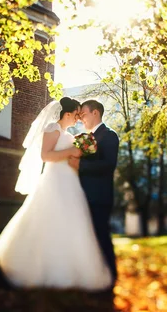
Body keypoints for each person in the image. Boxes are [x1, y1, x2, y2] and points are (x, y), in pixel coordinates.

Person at [0, 97, 113, 290]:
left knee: (72, 223)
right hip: (54, 180)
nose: (78, 119)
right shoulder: (53, 128)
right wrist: (72, 151)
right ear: (67, 114)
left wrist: (80, 152)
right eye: (76, 115)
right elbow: (46, 155)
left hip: (70, 180)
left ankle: (74, 269)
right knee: (48, 221)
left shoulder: (68, 133)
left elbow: (71, 155)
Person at [69, 99, 119, 283]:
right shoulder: (84, 137)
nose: (81, 119)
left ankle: (111, 277)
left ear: (95, 113)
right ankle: (95, 277)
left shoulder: (109, 135)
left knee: (101, 235)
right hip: (83, 195)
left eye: (83, 114)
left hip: (99, 196)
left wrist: (79, 164)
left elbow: (108, 165)